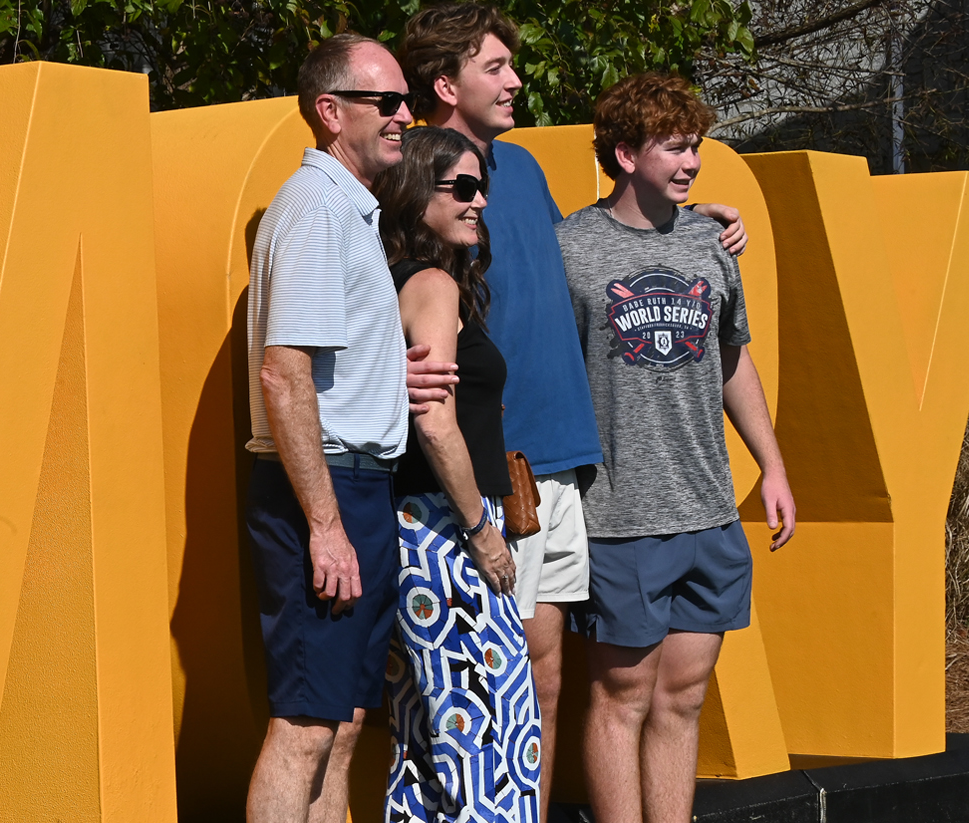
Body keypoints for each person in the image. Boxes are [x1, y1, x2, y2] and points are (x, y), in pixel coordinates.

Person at [395, 7, 748, 814]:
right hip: (491, 475)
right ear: (446, 84)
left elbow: (594, 258)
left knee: (546, 683)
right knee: (499, 684)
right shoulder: (423, 181)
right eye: (495, 67)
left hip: (561, 468)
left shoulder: (517, 170)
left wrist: (692, 221)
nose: (516, 79)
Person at [555, 73, 796, 823]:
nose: (692, 161)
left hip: (708, 509)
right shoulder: (571, 246)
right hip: (619, 513)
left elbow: (732, 357)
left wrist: (774, 463)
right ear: (625, 153)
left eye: (696, 146)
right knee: (621, 696)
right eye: (674, 147)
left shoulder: (711, 241)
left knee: (683, 696)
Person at [243, 33, 417, 823]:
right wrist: (324, 521)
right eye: (387, 101)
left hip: (355, 484)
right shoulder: (315, 207)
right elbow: (284, 371)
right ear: (330, 109)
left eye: (404, 100)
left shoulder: (346, 209)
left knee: (341, 724)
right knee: (305, 725)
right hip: (326, 486)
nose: (405, 116)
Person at [376, 125, 543, 823]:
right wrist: (481, 528)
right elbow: (436, 419)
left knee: (424, 740)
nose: (479, 202)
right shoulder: (434, 283)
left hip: (410, 532)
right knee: (492, 736)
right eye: (462, 188)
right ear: (419, 197)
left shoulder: (396, 279)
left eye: (483, 187)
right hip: (447, 531)